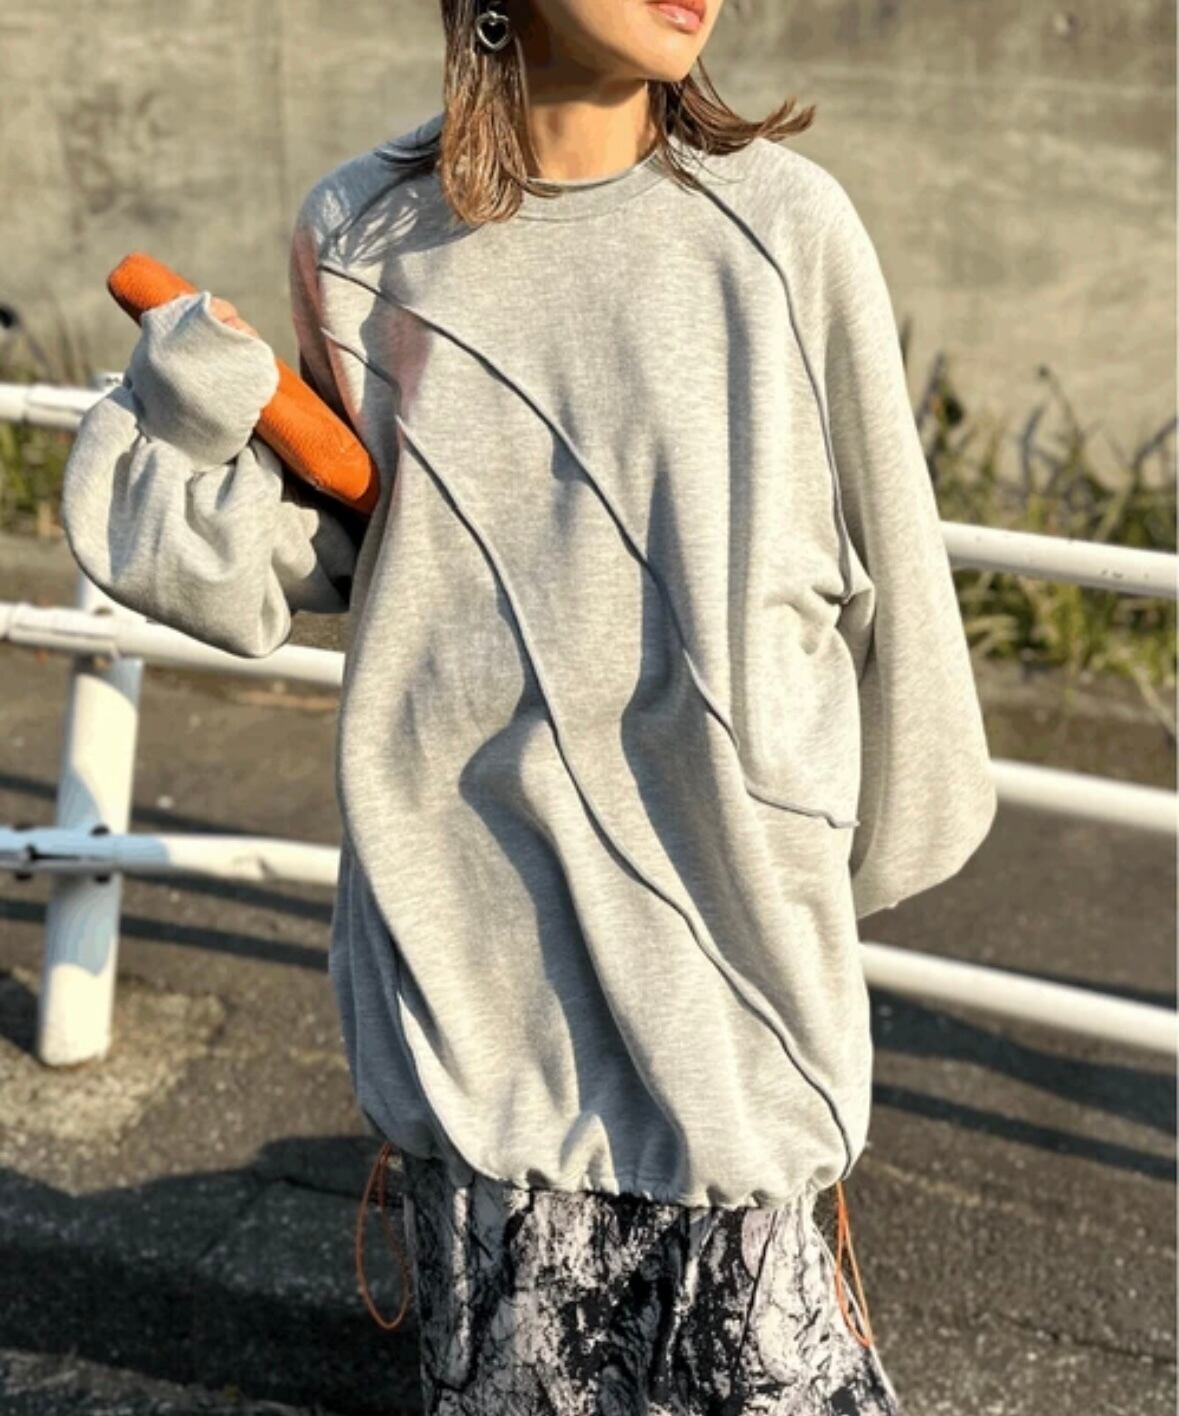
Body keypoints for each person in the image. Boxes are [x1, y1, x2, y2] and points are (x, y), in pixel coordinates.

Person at [60, 0, 999, 1409]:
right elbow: (336, 557)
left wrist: (819, 856)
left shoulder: (784, 226)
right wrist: (200, 415)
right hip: (473, 972)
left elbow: (902, 584)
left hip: (729, 971)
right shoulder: (361, 234)